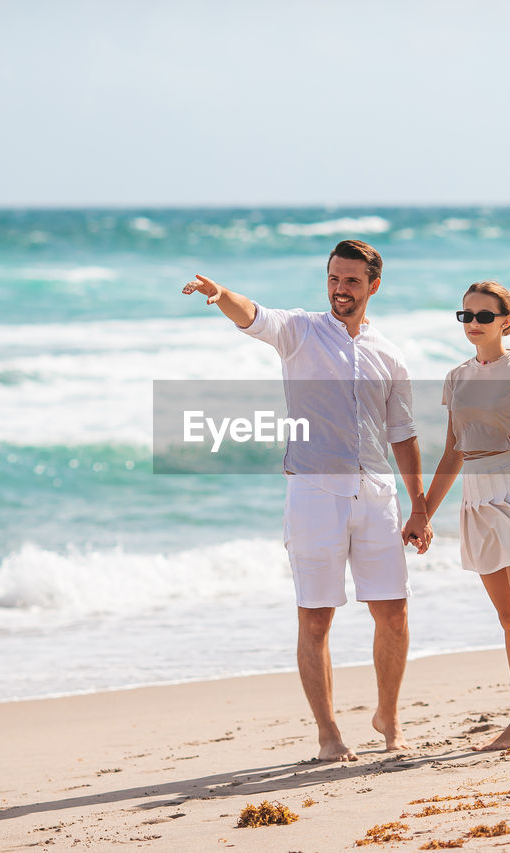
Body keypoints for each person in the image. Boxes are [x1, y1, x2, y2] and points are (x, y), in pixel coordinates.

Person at [182, 239, 432, 762]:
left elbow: (403, 433)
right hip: (314, 493)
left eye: (352, 281)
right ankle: (328, 733)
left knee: (394, 614)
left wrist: (420, 506)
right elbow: (254, 316)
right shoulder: (300, 331)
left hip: (377, 494)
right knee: (316, 619)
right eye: (334, 279)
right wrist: (221, 292)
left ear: (373, 286)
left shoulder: (389, 353)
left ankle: (389, 717)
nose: (341, 290)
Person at [425, 280, 510, 751]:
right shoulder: (457, 378)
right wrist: (422, 513)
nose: (474, 324)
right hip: (474, 498)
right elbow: (451, 454)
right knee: (507, 619)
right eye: (466, 316)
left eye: (484, 316)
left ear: (506, 320)